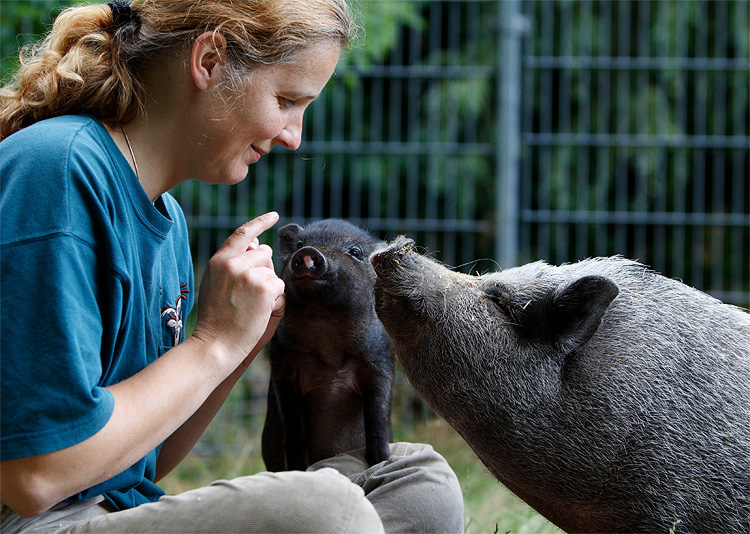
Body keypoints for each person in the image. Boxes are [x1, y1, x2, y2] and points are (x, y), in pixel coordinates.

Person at [0, 1, 464, 533]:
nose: (294, 136)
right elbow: (37, 476)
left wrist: (243, 339)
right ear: (210, 59)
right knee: (326, 511)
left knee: (421, 482)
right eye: (287, 100)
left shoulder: (166, 216)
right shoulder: (58, 172)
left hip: (114, 511)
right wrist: (213, 341)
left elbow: (144, 459)